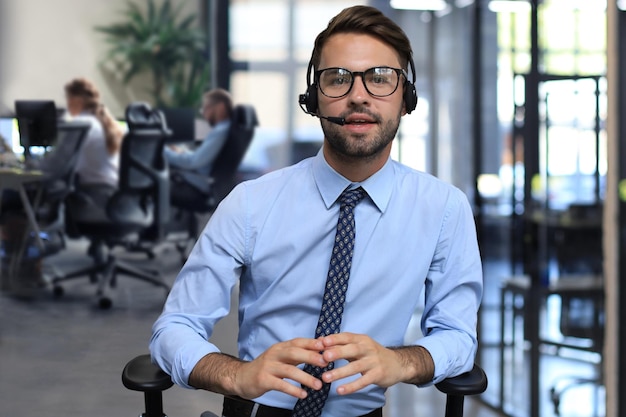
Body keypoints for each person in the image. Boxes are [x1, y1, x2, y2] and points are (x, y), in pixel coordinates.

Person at [150, 5, 483, 417]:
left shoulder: (444, 209)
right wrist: (236, 375)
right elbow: (175, 327)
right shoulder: (251, 202)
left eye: (380, 78)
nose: (358, 95)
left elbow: (457, 335)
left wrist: (403, 361)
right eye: (338, 78)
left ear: (406, 97)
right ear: (313, 98)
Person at [60, 77, 125, 206]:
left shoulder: (80, 123)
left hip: (92, 195)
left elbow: (61, 161)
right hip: (115, 193)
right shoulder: (109, 122)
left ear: (75, 100)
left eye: (68, 98)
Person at [165, 88, 233, 209]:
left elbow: (194, 162)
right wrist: (181, 152)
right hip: (205, 181)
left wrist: (163, 152)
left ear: (220, 107)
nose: (204, 113)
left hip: (199, 185)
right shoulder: (226, 128)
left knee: (154, 185)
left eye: (207, 107)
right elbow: (201, 159)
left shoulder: (221, 131)